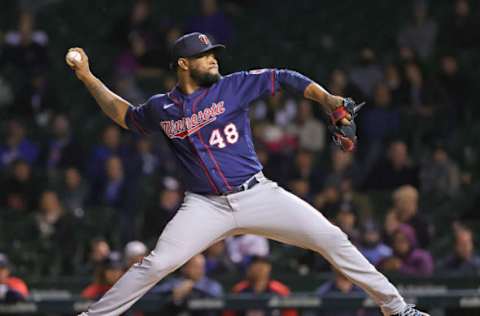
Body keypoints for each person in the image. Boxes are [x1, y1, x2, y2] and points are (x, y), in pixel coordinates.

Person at [67, 32, 428, 316]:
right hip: (204, 207)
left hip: (258, 194)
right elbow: (124, 115)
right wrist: (86, 76)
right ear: (183, 63)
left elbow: (283, 77)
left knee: (332, 239)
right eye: (205, 56)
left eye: (213, 54)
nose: (213, 60)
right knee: (157, 263)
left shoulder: (233, 85)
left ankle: (396, 308)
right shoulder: (162, 107)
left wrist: (328, 99)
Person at [149, 254, 222, 316]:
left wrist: (193, 287)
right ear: (185, 268)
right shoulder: (176, 282)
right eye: (195, 267)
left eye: (201, 267)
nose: (199, 270)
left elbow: (219, 300)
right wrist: (175, 292)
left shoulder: (211, 285)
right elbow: (154, 292)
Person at [224, 256, 298, 316]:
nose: (259, 268)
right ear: (248, 269)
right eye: (255, 264)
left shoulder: (280, 290)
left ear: (269, 268)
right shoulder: (239, 289)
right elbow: (228, 313)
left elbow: (290, 313)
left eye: (263, 264)